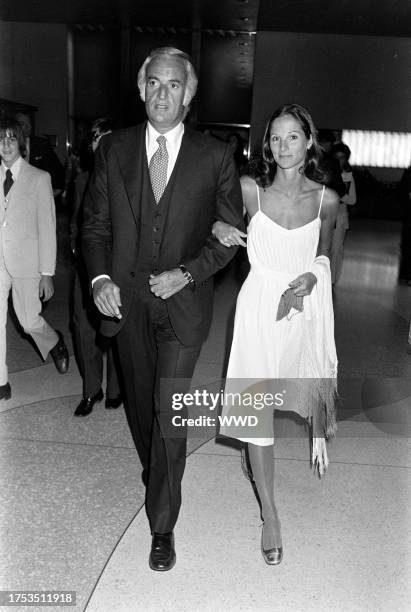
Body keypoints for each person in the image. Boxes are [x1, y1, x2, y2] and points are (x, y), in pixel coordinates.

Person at [81, 47, 244, 571]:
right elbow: (95, 225)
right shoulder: (114, 149)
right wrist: (100, 277)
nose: (163, 93)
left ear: (189, 96)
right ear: (141, 87)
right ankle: (158, 471)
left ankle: (162, 525)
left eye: (174, 85)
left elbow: (227, 239)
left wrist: (189, 272)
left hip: (183, 308)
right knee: (141, 410)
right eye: (155, 82)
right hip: (127, 305)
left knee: (170, 413)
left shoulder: (214, 156)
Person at [213, 104, 339, 565]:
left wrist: (313, 276)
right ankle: (270, 513)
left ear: (309, 141)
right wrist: (219, 226)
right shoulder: (250, 190)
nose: (282, 146)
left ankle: (257, 467)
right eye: (275, 138)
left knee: (295, 390)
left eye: (292, 137)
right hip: (257, 307)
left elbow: (326, 256)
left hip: (301, 307)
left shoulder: (326, 199)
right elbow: (200, 214)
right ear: (266, 144)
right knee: (255, 406)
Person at [0, 117, 69, 401]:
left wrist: (46, 273)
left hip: (26, 263)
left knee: (28, 321)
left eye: (11, 139)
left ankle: (54, 341)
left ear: (22, 145)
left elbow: (47, 229)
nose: (5, 145)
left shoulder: (39, 178)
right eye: (1, 140)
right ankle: (1, 381)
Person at [71, 118, 122, 417]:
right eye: (96, 139)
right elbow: (77, 223)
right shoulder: (81, 180)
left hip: (118, 264)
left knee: (116, 324)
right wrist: (75, 247)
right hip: (87, 265)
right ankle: (91, 389)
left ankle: (116, 386)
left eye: (108, 138)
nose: (101, 144)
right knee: (82, 324)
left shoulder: (131, 180)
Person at [329, 142, 357, 283]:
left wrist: (339, 195)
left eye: (342, 157)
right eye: (337, 157)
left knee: (336, 250)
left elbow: (353, 200)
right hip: (325, 216)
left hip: (340, 217)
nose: (340, 160)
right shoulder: (326, 174)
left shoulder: (348, 177)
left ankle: (332, 280)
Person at [317, 129, 346, 198]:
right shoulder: (332, 162)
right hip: (325, 201)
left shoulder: (306, 158)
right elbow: (340, 189)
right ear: (329, 143)